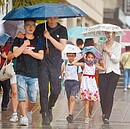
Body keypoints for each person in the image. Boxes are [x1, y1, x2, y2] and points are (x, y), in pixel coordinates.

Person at [34, 17, 68, 125]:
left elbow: (61, 47)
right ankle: (44, 113)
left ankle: (50, 106)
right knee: (43, 89)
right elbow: (33, 41)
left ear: (58, 17)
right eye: (50, 17)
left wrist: (49, 37)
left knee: (56, 90)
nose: (52, 19)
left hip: (55, 63)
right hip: (42, 63)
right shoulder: (40, 28)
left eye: (55, 17)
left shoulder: (62, 29)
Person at [13, 19, 44, 126]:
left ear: (35, 27)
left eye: (32, 25)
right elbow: (16, 54)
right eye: (28, 25)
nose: (30, 27)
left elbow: (41, 56)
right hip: (21, 72)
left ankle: (29, 111)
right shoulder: (19, 39)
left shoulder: (38, 40)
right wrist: (24, 45)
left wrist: (28, 52)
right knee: (21, 96)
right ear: (24, 27)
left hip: (34, 73)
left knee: (33, 98)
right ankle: (23, 117)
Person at [72, 51, 106, 124]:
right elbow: (73, 63)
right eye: (89, 57)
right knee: (86, 101)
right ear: (86, 58)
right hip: (85, 83)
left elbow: (104, 69)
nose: (90, 59)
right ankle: (86, 116)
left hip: (92, 83)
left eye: (92, 57)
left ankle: (90, 112)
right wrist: (81, 57)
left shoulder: (94, 65)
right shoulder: (84, 64)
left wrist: (103, 63)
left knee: (92, 101)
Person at [97, 31, 121, 124]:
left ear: (114, 34)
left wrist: (108, 52)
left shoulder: (117, 45)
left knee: (109, 94)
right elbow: (98, 57)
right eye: (107, 33)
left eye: (111, 33)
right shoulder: (101, 45)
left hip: (114, 72)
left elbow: (116, 60)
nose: (109, 35)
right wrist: (100, 61)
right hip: (103, 72)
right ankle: (104, 112)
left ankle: (107, 116)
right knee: (102, 94)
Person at [61, 53, 82, 123]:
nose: (71, 57)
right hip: (67, 82)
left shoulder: (77, 65)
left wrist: (80, 86)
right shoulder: (65, 63)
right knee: (69, 99)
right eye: (69, 56)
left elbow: (79, 76)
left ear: (75, 56)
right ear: (67, 56)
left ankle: (70, 114)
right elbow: (62, 73)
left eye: (72, 56)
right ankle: (71, 113)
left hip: (75, 82)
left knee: (72, 97)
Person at [7, 40, 18, 122]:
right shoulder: (14, 42)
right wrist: (15, 53)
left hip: (27, 71)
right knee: (14, 92)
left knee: (26, 93)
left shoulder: (31, 41)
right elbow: (9, 57)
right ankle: (15, 113)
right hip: (14, 70)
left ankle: (26, 112)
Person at [0, 39, 12, 111]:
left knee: (6, 88)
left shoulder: (9, 46)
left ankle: (4, 105)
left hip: (4, 69)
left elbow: (11, 57)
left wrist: (5, 56)